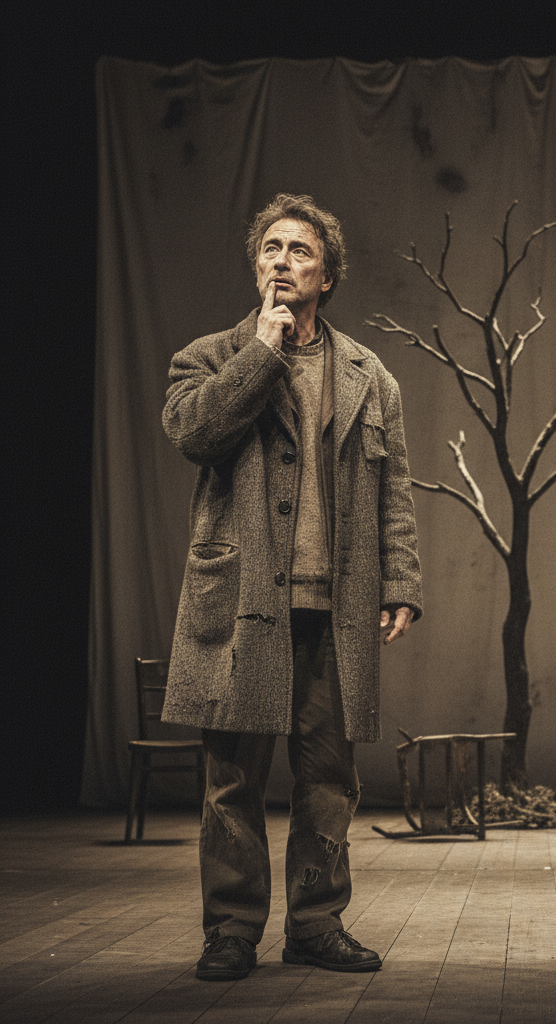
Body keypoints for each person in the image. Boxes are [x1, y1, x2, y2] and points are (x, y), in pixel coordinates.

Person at [161, 193, 423, 981]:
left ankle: (316, 923)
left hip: (335, 610)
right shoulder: (208, 356)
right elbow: (194, 433)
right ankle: (232, 930)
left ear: (328, 276)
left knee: (330, 781)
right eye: (270, 249)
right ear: (256, 267)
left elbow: (395, 489)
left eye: (299, 251)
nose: (281, 260)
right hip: (241, 605)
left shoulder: (368, 374)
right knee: (232, 781)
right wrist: (261, 354)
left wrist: (402, 579)